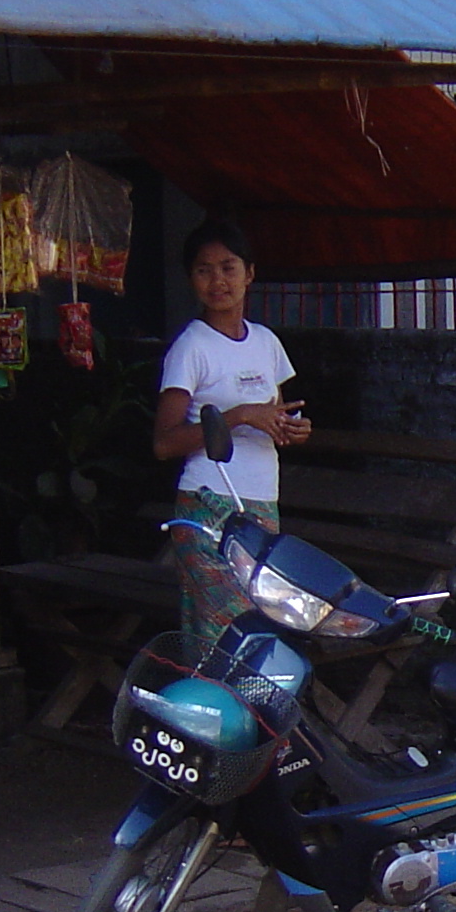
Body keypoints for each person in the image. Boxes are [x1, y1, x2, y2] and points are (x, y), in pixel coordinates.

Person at [152, 218, 312, 644]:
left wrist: (289, 431)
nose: (217, 280)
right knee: (222, 631)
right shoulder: (191, 347)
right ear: (191, 279)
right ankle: (212, 710)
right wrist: (238, 415)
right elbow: (164, 443)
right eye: (204, 270)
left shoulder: (266, 342)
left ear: (250, 273)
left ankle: (245, 711)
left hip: (261, 505)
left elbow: (272, 418)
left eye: (228, 267)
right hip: (207, 507)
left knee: (260, 627)